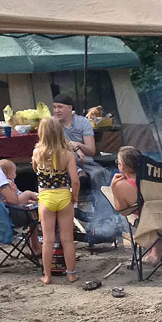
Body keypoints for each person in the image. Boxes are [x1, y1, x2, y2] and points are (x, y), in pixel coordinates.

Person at [52, 93, 124, 247]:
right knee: (76, 174)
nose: (56, 110)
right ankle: (76, 214)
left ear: (70, 108)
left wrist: (78, 146)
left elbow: (91, 150)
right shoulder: (53, 124)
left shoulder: (83, 122)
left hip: (86, 162)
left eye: (60, 107)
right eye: (55, 107)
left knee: (100, 174)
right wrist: (73, 147)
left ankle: (101, 221)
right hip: (64, 163)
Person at [32, 117, 81, 284]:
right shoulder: (68, 154)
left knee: (47, 240)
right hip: (63, 196)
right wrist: (75, 195)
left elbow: (37, 174)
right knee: (67, 239)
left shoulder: (37, 153)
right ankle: (71, 273)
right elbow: (75, 180)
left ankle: (47, 275)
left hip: (46, 198)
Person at [108, 146, 162, 265]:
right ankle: (155, 253)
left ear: (122, 166)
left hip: (148, 221)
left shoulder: (122, 185)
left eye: (118, 162)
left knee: (137, 216)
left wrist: (113, 187)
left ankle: (154, 255)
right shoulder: (155, 176)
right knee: (153, 213)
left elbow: (122, 210)